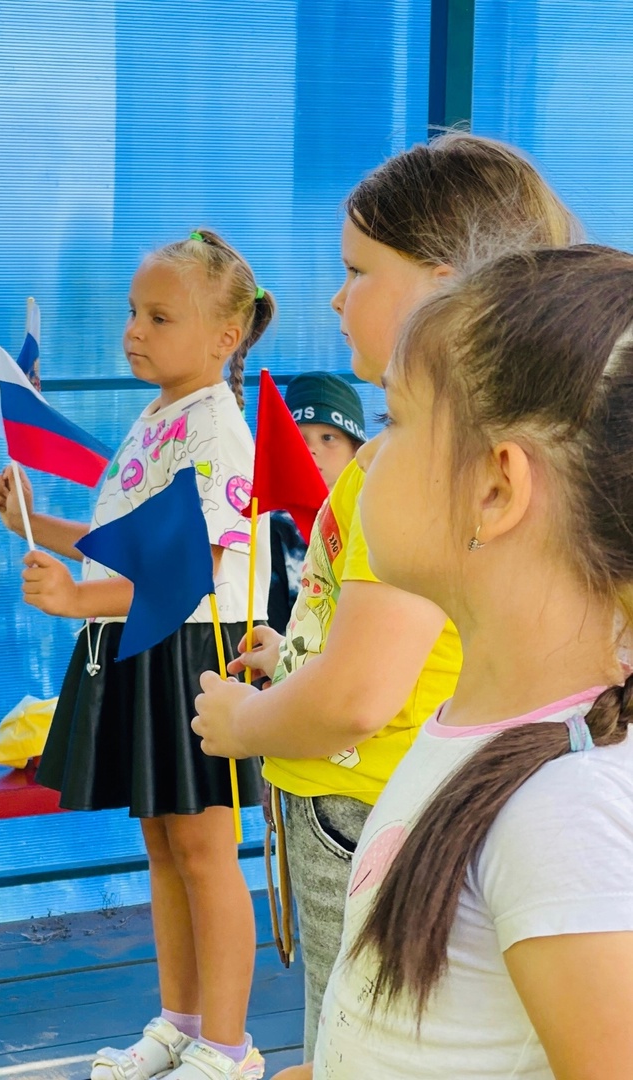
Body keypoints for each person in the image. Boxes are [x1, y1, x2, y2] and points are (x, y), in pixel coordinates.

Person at [191, 133, 582, 1061]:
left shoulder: (416, 477)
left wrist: (246, 723)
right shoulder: (471, 460)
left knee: (353, 1037)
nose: (336, 298)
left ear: (444, 292)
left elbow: (362, 693)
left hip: (362, 809)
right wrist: (291, 656)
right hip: (383, 804)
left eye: (357, 270)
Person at [306, 245, 633, 1078]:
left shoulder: (565, 813)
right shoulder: (485, 734)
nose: (368, 457)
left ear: (495, 488)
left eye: (392, 421)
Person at [0, 229, 275, 1080]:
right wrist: (33, 525)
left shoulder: (218, 431)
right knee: (164, 848)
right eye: (132, 313)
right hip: (141, 644)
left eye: (159, 317)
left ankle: (229, 1047)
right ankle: (180, 1025)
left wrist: (77, 600)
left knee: (205, 852)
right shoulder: (159, 415)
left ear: (225, 336)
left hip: (194, 652)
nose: (134, 332)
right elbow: (125, 546)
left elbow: (188, 570)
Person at [268, 372, 366, 635]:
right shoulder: (269, 526)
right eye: (300, 438)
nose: (311, 449)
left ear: (356, 450)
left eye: (328, 438)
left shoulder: (374, 516)